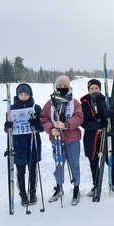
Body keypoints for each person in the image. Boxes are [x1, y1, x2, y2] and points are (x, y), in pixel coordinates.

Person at [40, 75, 83, 205]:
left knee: (74, 165)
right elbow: (43, 118)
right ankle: (59, 187)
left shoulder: (74, 102)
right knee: (59, 165)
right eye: (60, 86)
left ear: (69, 87)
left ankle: (76, 188)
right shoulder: (50, 103)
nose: (62, 88)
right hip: (57, 140)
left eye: (65, 86)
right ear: (56, 87)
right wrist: (50, 129)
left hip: (72, 139)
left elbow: (79, 117)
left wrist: (66, 124)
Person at [80, 79, 114, 197]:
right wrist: (98, 125)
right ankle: (96, 185)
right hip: (92, 138)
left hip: (107, 136)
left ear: (100, 89)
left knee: (111, 161)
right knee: (94, 162)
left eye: (96, 88)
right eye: (91, 89)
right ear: (88, 90)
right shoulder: (84, 103)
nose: (94, 90)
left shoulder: (108, 100)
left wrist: (108, 112)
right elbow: (83, 123)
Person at [4, 83, 43, 207]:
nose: (24, 96)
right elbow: (8, 130)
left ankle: (32, 192)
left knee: (32, 169)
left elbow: (42, 127)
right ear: (17, 95)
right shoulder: (11, 109)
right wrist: (7, 126)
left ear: (30, 95)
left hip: (33, 142)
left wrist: (37, 124)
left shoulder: (36, 108)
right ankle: (23, 194)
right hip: (18, 144)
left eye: (26, 94)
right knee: (20, 170)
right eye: (21, 94)